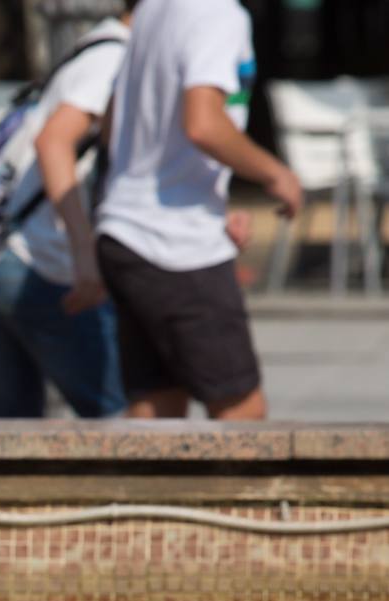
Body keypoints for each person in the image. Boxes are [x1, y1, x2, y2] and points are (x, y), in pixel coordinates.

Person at [95, 0, 302, 420]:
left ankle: (135, 487)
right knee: (242, 413)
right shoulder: (217, 13)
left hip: (125, 228)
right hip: (176, 244)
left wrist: (207, 197)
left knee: (157, 406)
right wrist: (275, 173)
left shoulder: (153, 9)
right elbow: (203, 124)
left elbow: (113, 122)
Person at [0, 2, 140, 419]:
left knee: (11, 434)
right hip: (42, 264)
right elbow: (54, 142)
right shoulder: (113, 58)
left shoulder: (95, 45)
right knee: (121, 419)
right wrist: (84, 254)